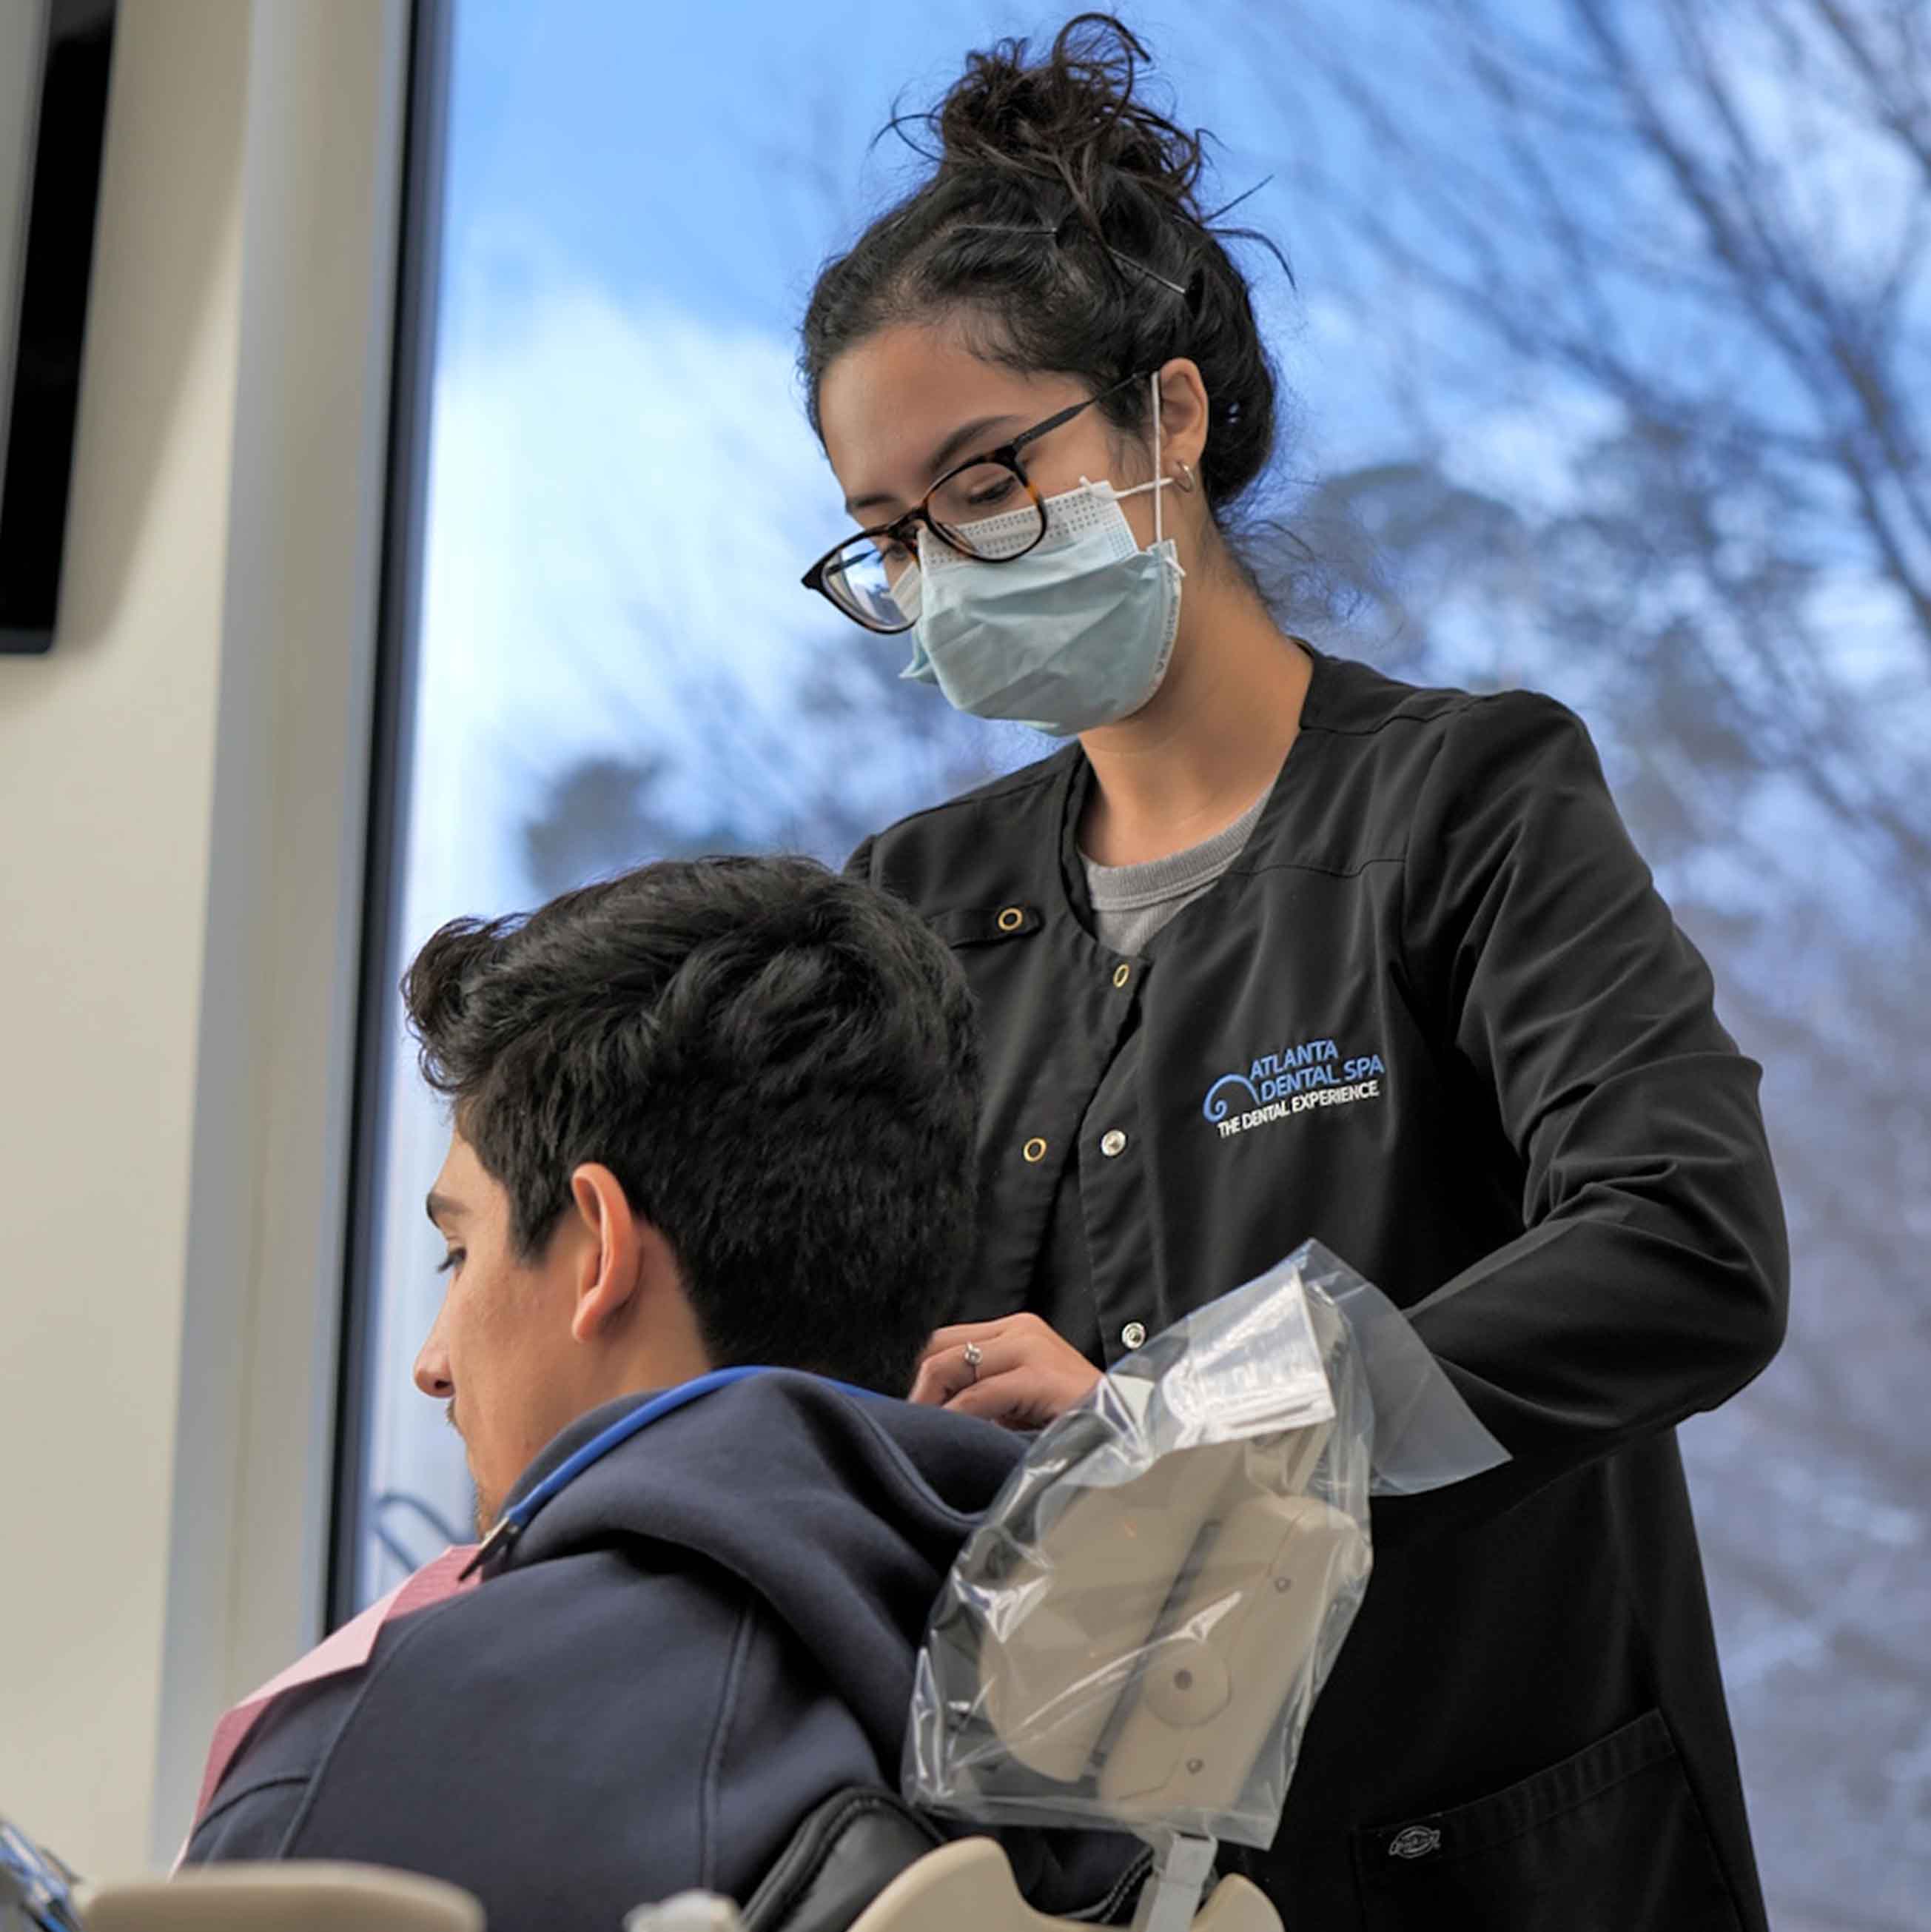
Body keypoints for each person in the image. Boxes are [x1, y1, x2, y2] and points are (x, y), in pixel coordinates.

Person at [800, 15, 1790, 1929]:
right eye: (887, 538)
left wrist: (1181, 1416)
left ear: (1167, 418)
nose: (940, 571)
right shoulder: (911, 907)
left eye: (986, 484)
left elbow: (1687, 1246)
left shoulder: (1465, 802)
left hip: (1485, 1862)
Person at [181, 856, 1134, 1929]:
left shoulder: (380, 1754)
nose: (432, 1362)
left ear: (599, 1250)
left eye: (461, 1252)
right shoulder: (1120, 1709)